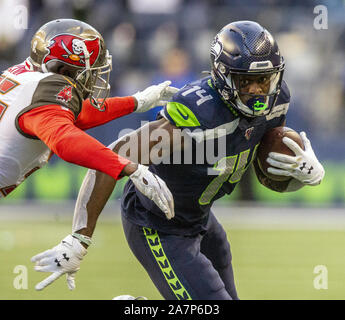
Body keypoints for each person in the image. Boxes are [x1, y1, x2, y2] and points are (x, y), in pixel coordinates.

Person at [33, 21, 325, 298]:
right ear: (223, 75)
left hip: (200, 219)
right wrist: (79, 238)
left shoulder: (277, 100)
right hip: (158, 225)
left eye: (263, 80)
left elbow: (266, 171)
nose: (258, 92)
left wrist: (303, 173)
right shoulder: (200, 113)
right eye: (246, 82)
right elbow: (111, 158)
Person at [0, 18, 177, 289]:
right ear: (62, 68)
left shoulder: (26, 77)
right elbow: (64, 139)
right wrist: (130, 167)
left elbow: (75, 112)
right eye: (89, 70)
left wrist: (137, 101)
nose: (94, 77)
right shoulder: (48, 89)